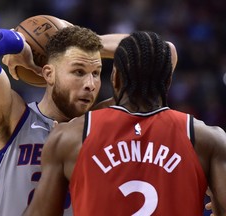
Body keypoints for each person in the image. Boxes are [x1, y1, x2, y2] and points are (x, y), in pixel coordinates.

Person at [23, 31, 226, 216]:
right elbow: (167, 50)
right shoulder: (207, 139)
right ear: (168, 82)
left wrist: (81, 43)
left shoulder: (69, 137)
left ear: (115, 78)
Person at [0, 23, 128, 216]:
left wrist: (86, 42)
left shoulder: (102, 125)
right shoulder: (14, 119)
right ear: (49, 73)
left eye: (96, 73)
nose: (90, 84)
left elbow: (163, 54)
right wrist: (20, 43)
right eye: (78, 72)